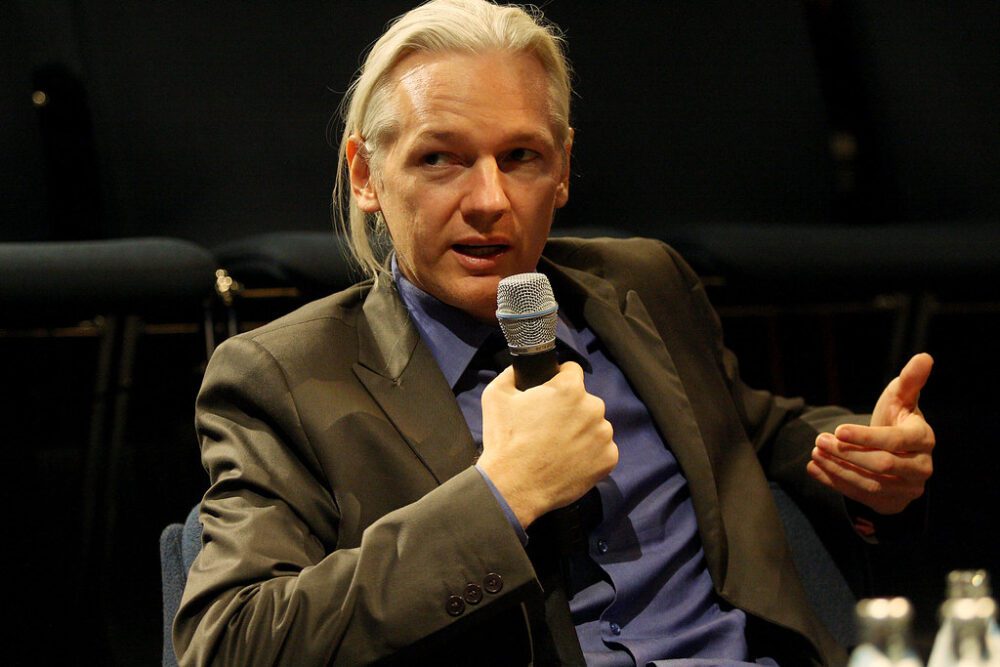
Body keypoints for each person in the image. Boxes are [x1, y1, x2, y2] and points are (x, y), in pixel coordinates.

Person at [173, 1, 935, 665]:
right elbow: (231, 639)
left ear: (563, 168)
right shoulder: (284, 377)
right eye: (439, 159)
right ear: (367, 175)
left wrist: (866, 457)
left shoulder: (646, 285)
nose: (489, 200)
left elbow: (755, 433)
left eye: (520, 157)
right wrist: (500, 495)